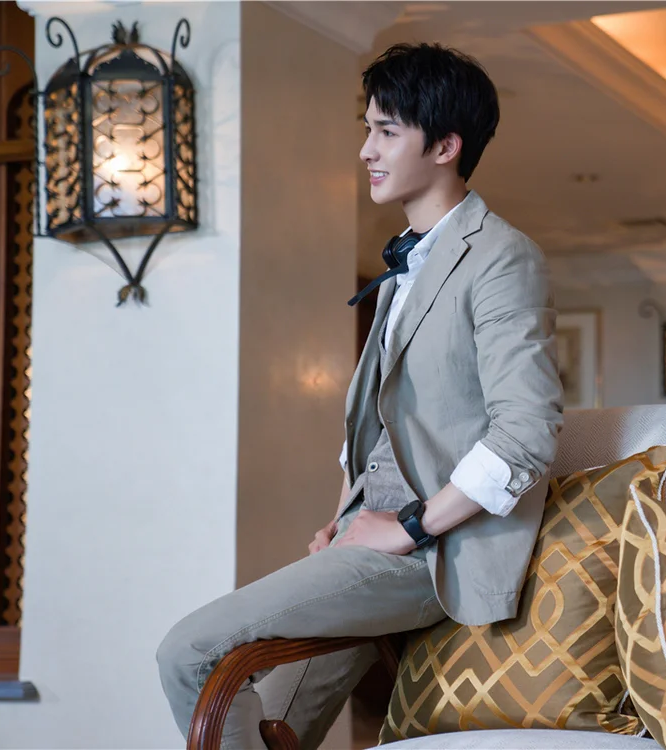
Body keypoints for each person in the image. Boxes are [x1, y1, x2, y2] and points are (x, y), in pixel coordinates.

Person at [156, 42, 564, 749]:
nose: (365, 150)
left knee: (188, 652)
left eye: (386, 131)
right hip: (369, 544)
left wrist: (409, 527)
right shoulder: (410, 258)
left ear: (445, 146)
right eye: (367, 128)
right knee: (272, 731)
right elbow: (382, 424)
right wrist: (343, 516)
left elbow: (526, 431)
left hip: (435, 554)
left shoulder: (501, 256)